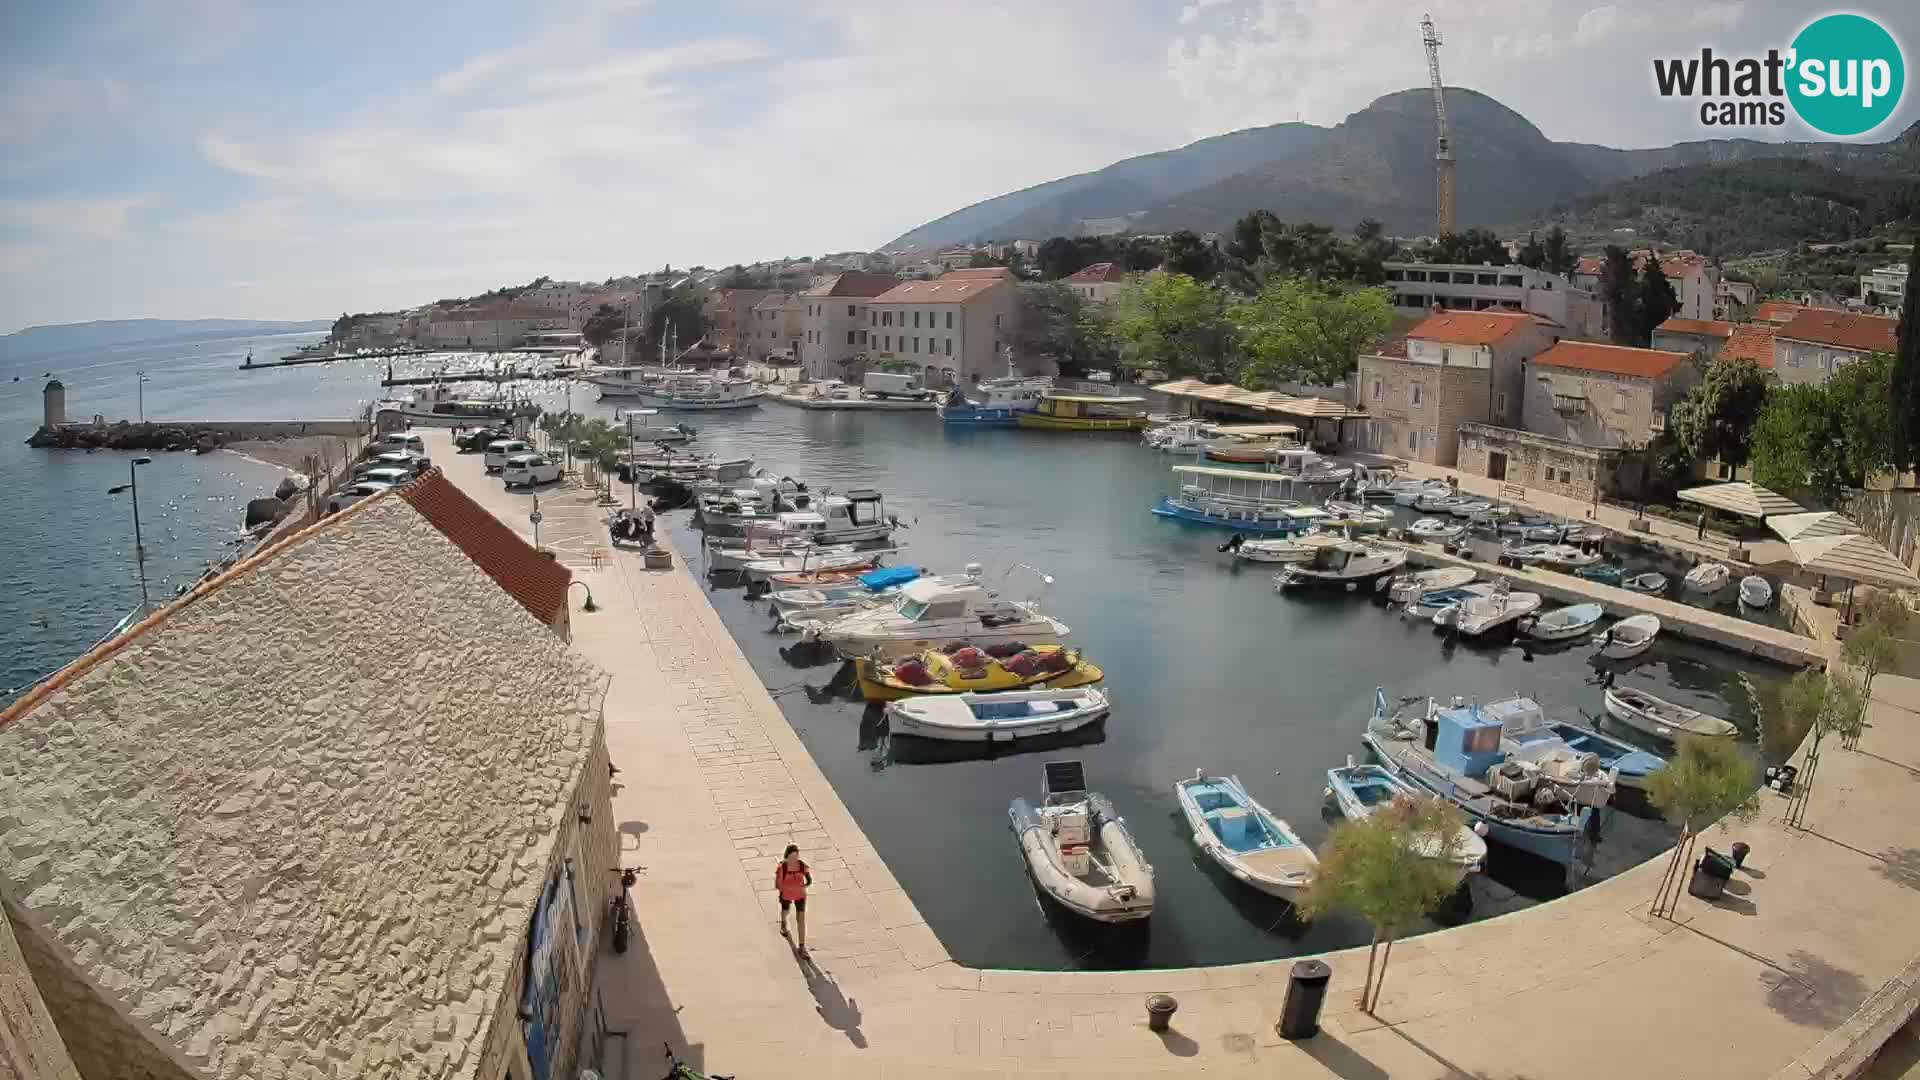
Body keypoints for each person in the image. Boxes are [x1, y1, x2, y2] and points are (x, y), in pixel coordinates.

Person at [775, 844, 811, 950]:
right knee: (785, 910)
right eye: (792, 856)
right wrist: (785, 889)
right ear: (788, 856)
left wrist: (803, 886)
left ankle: (802, 945)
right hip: (786, 894)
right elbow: (777, 884)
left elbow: (809, 879)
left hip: (800, 895)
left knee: (801, 919)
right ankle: (784, 923)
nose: (794, 859)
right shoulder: (783, 868)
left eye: (796, 856)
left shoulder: (801, 865)